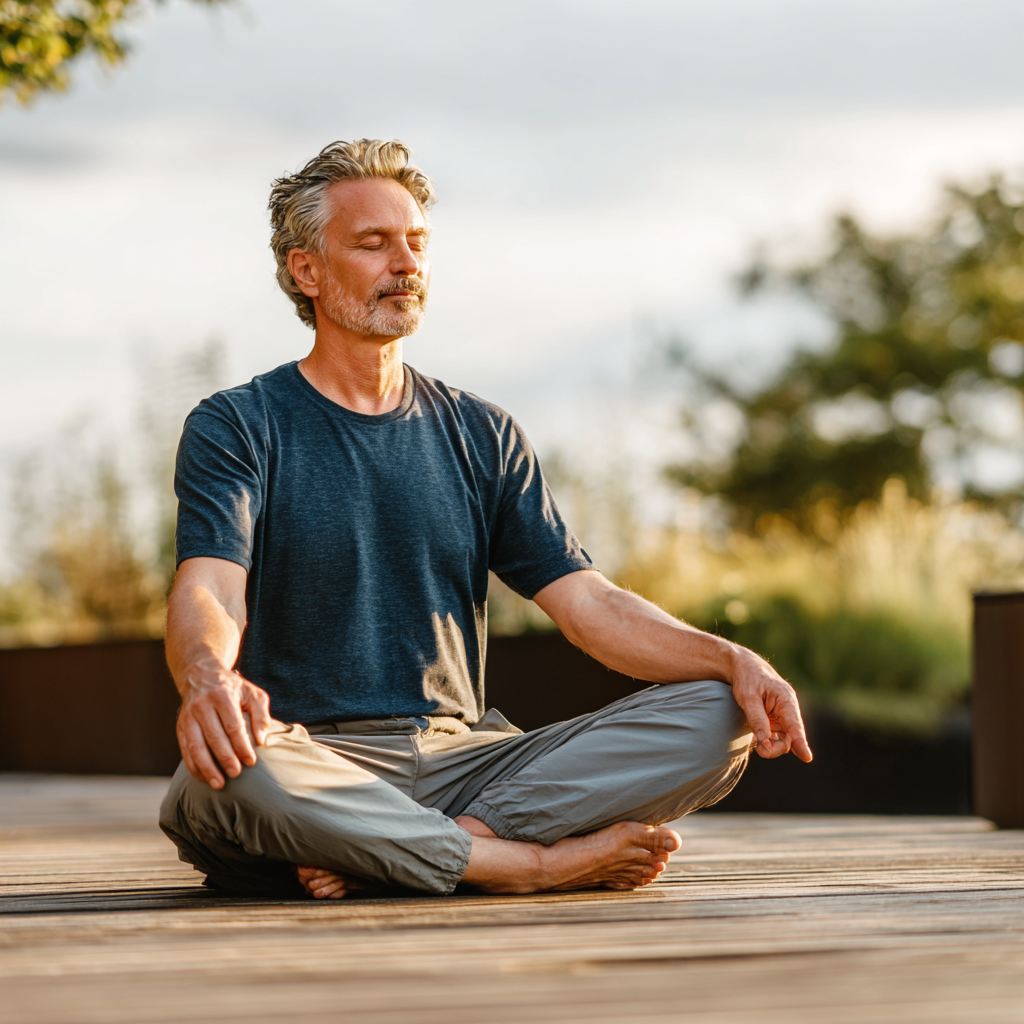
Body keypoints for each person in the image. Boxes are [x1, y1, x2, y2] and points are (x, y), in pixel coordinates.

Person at [159, 139, 812, 900]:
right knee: (224, 775)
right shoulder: (240, 424)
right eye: (373, 244)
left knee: (715, 714)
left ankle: (427, 848)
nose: (405, 263)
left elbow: (591, 606)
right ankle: (525, 864)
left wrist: (734, 660)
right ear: (306, 270)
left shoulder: (481, 433)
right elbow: (210, 587)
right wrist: (208, 677)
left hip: (466, 764)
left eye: (417, 243)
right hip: (314, 761)